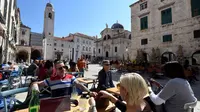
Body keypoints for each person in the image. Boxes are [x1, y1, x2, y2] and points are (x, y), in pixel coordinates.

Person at [32, 61, 97, 97]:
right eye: (60, 68)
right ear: (56, 70)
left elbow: (79, 85)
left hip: (68, 104)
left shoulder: (71, 77)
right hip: (55, 105)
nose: (63, 69)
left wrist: (89, 92)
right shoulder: (51, 79)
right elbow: (36, 83)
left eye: (64, 67)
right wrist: (35, 87)